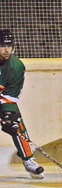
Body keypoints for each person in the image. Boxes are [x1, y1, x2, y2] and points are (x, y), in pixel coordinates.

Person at [0, 30, 44, 179]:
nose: (7, 50)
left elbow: (9, 96)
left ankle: (27, 160)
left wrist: (8, 115)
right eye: (2, 46)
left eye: (9, 46)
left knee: (15, 122)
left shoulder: (16, 66)